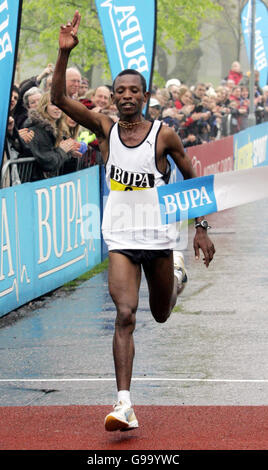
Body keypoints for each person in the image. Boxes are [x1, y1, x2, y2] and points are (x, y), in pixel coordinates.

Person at [51, 11, 215, 432]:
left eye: (133, 91)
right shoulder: (104, 129)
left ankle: (175, 277)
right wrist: (63, 54)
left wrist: (201, 227)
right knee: (125, 314)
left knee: (160, 314)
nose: (125, 96)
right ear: (112, 97)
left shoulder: (164, 135)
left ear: (144, 96)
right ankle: (124, 403)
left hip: (159, 238)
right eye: (119, 90)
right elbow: (58, 100)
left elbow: (192, 177)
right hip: (121, 238)